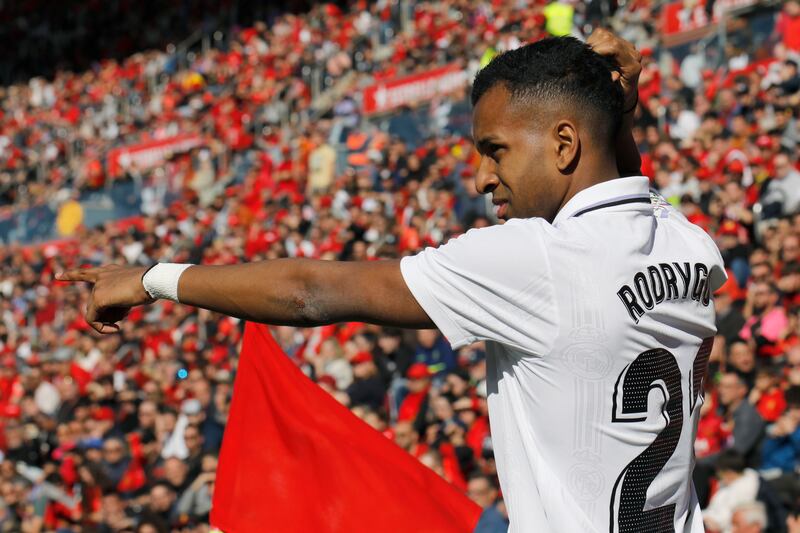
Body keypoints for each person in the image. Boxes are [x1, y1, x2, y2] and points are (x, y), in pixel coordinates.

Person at [56, 31, 726, 531]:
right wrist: (619, 115)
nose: (482, 177)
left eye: (494, 149)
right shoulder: (689, 243)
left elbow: (307, 291)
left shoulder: (536, 260)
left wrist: (151, 277)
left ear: (563, 143)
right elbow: (628, 191)